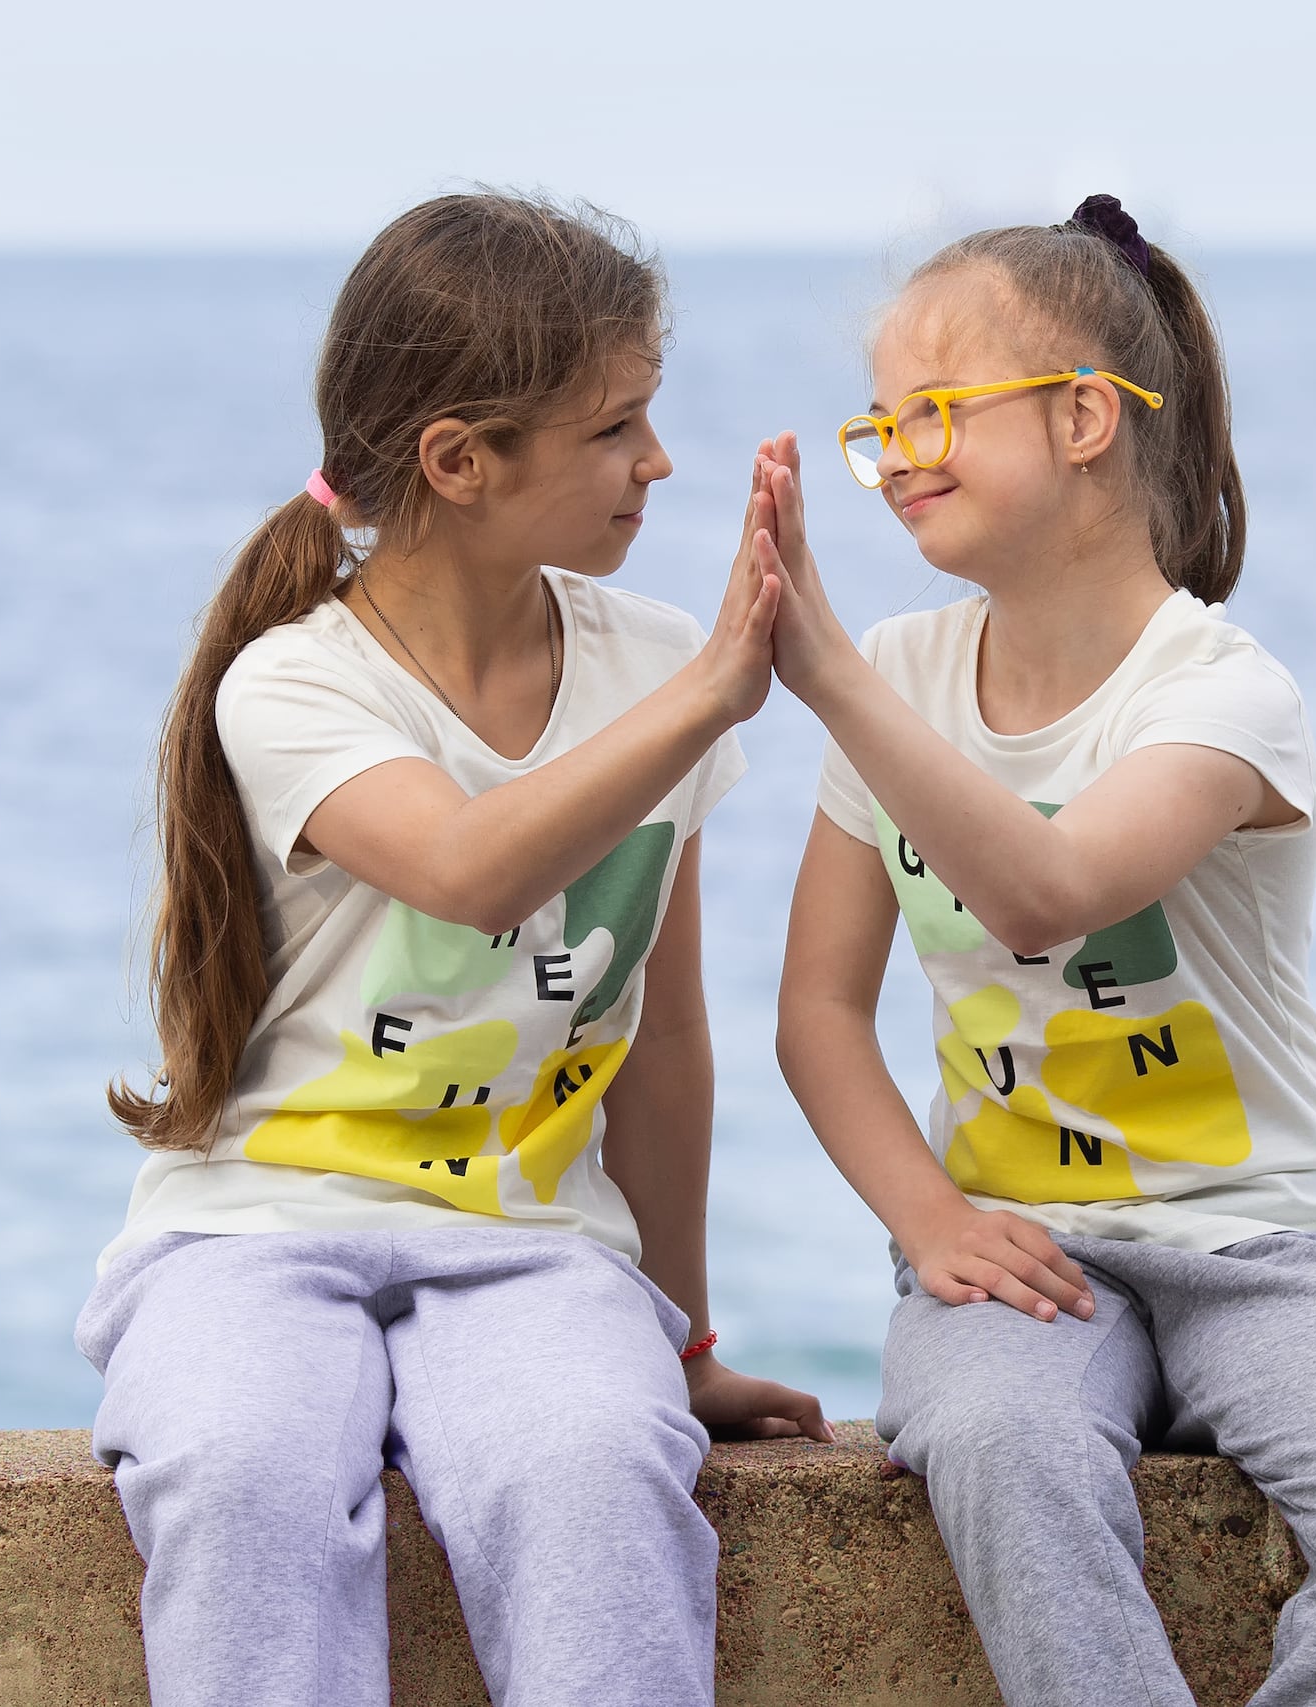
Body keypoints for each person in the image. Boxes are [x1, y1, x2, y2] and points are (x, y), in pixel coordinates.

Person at [761, 195, 1316, 1707]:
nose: (896, 454)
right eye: (880, 423)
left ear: (1089, 417)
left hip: (1268, 1239)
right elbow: (819, 1016)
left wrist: (828, 681)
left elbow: (1051, 893)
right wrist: (928, 1222)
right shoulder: (905, 679)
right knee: (997, 1444)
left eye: (939, 413)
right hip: (1019, 1254)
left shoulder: (1224, 694)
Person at [83, 192, 826, 1707]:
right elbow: (470, 872)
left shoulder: (648, 661)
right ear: (459, 463)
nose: (658, 462)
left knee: (598, 1471)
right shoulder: (293, 687)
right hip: (253, 1229)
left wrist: (680, 1338)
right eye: (616, 427)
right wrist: (708, 696)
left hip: (533, 1250)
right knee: (240, 1474)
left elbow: (665, 1045)